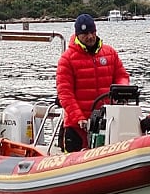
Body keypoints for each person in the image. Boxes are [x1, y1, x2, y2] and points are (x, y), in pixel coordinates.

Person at [56, 13, 130, 152]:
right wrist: (79, 117)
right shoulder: (67, 60)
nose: (90, 37)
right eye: (85, 34)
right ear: (77, 35)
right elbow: (65, 94)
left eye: (92, 32)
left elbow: (122, 75)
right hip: (78, 126)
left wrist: (121, 90)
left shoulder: (110, 53)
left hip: (107, 122)